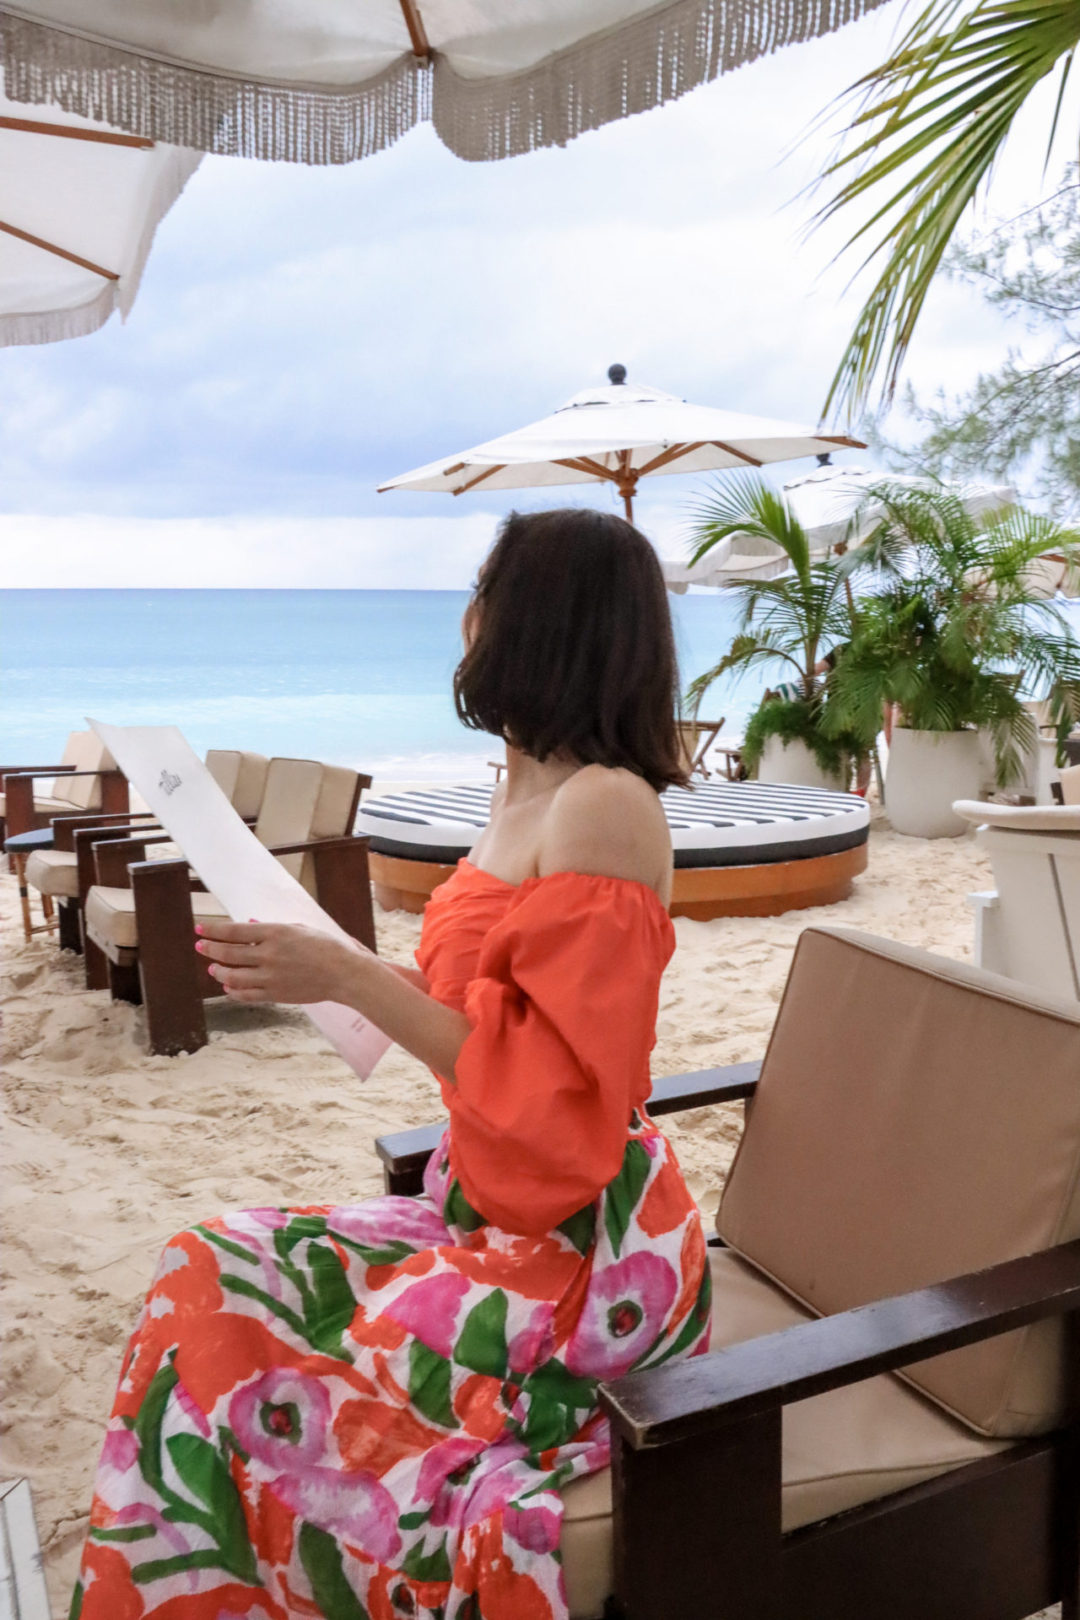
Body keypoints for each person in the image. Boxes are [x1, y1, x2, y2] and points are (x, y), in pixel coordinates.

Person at [72, 509, 712, 1620]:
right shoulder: (519, 795)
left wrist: (355, 978)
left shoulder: (605, 808)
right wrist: (328, 972)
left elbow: (557, 1103)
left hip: (577, 1247)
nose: (467, 615)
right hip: (487, 1200)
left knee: (249, 1332)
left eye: (485, 590)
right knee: (203, 1261)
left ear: (536, 617)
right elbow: (484, 1017)